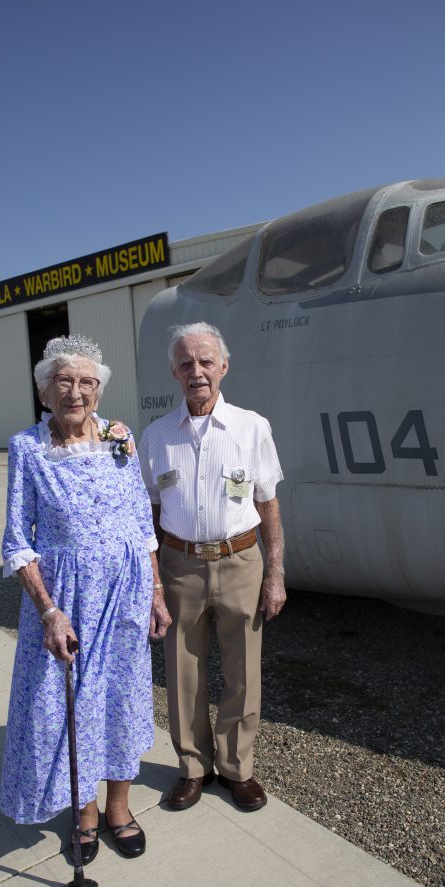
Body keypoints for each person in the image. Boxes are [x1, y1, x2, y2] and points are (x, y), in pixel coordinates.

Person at [0, 334, 171, 862]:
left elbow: (142, 522)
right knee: (68, 708)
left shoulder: (121, 437)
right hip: (67, 600)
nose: (76, 392)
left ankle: (119, 807)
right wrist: (48, 610)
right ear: (44, 390)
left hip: (126, 593)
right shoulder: (27, 447)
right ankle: (85, 811)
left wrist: (157, 593)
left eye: (87, 382)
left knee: (121, 699)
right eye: (64, 381)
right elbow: (17, 540)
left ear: (99, 389)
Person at [138, 322, 286, 812]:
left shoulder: (251, 426)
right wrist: (153, 580)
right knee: (183, 670)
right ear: (174, 373)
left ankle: (237, 769)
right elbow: (149, 514)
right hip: (180, 562)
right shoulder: (157, 435)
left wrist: (275, 573)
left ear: (224, 366)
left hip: (241, 559)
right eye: (186, 364)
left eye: (205, 362)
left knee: (244, 669)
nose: (196, 372)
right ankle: (193, 768)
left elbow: (267, 503)